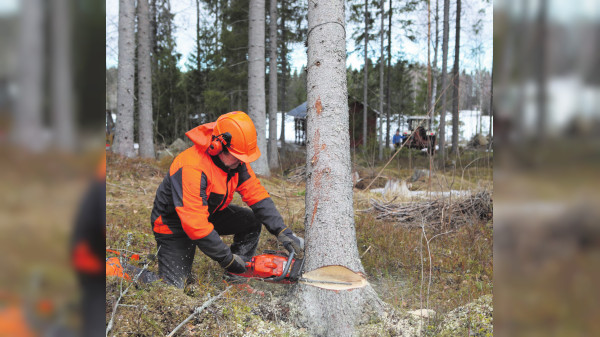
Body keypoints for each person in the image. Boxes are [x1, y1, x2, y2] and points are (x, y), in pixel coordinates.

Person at [150, 111, 304, 288]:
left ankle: (235, 278)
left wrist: (282, 230)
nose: (241, 162)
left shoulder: (236, 164)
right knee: (172, 287)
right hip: (173, 224)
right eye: (238, 157)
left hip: (206, 213)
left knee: (251, 221)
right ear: (218, 146)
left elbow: (257, 195)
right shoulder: (192, 167)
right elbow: (195, 226)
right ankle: (121, 269)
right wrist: (228, 259)